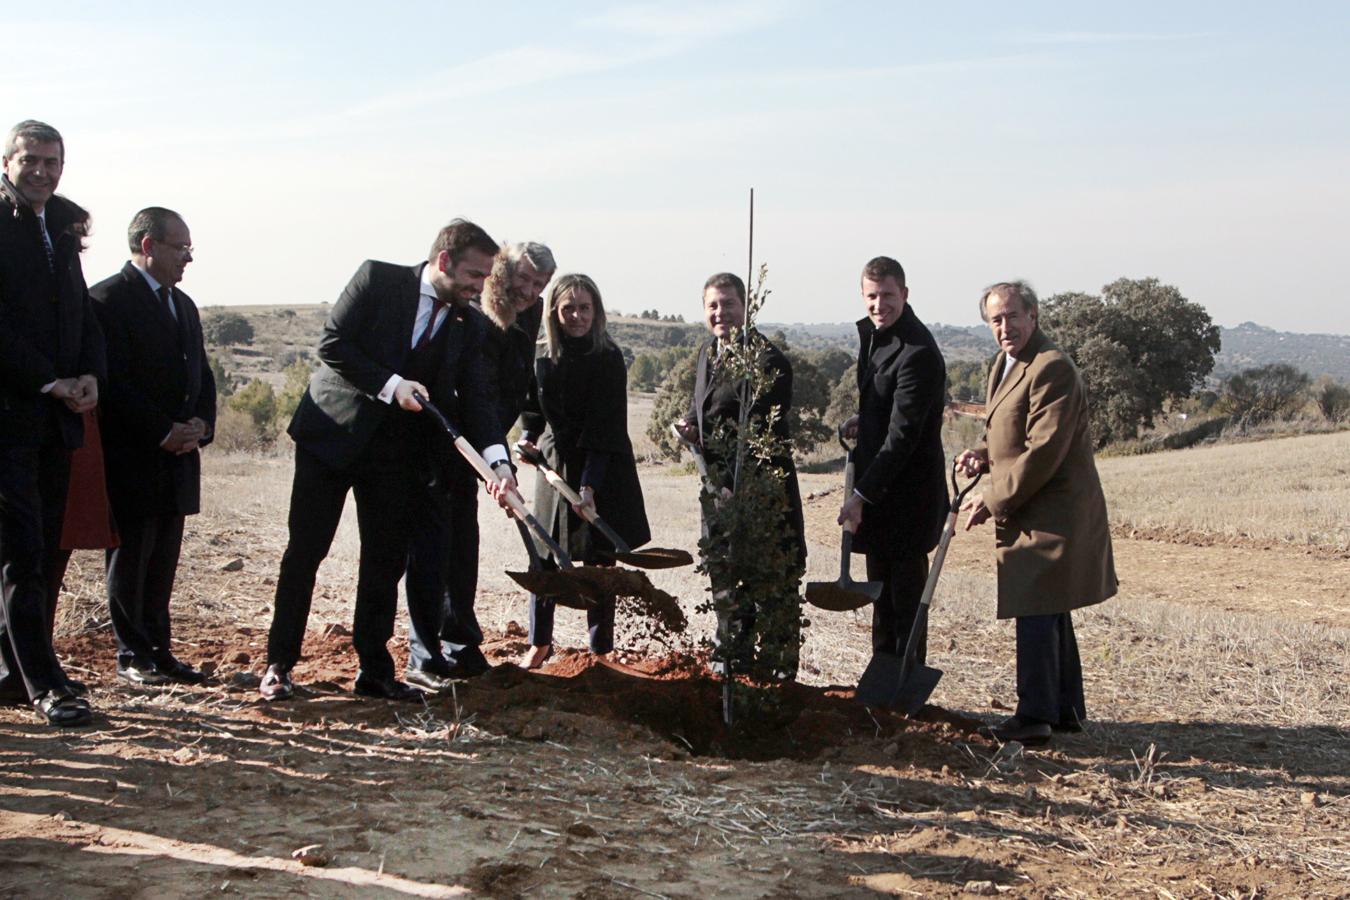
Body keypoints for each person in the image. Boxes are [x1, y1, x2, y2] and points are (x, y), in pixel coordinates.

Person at [261, 219, 514, 702]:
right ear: (444, 261)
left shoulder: (469, 324)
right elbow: (332, 345)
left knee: (384, 562)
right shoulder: (377, 279)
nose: (481, 287)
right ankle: (278, 665)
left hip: (396, 457)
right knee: (305, 553)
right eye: (475, 275)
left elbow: (478, 399)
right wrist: (392, 385)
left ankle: (374, 671)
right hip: (330, 440)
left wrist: (498, 463)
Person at [958, 280, 1117, 745]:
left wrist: (991, 498)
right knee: (1049, 609)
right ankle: (1065, 710)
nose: (1004, 327)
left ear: (1033, 316)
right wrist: (984, 453)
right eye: (996, 320)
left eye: (1012, 316)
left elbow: (1044, 450)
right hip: (1032, 508)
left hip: (1052, 513)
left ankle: (1034, 717)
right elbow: (1013, 431)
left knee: (1035, 607)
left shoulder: (1052, 368)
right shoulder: (1007, 364)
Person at [403, 241, 555, 690]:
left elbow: (519, 379)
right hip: (443, 433)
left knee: (462, 542)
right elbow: (468, 385)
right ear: (502, 271)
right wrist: (490, 457)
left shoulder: (529, 311)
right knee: (433, 545)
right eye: (523, 279)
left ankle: (461, 645)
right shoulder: (472, 304)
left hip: (484, 437)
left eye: (538, 283)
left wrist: (512, 445)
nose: (529, 290)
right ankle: (425, 653)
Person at [0, 120, 106, 727]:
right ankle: (44, 683)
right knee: (22, 555)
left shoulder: (60, 229)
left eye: (53, 162)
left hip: (56, 420)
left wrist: (91, 375)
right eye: (31, 160)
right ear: (7, 162)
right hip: (11, 416)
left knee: (44, 547)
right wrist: (50, 380)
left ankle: (14, 672)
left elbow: (80, 315)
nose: (42, 171)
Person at [91, 207, 216, 686]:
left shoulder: (182, 305)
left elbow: (201, 377)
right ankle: (132, 655)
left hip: (180, 456)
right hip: (134, 455)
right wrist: (160, 431)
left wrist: (200, 425)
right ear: (148, 246)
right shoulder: (106, 300)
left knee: (164, 558)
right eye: (180, 247)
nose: (188, 257)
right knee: (131, 557)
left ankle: (160, 651)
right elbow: (113, 383)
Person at [676, 272, 805, 679]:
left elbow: (765, 437)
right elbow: (707, 411)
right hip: (717, 495)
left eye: (728, 304)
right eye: (712, 305)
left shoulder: (768, 362)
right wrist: (689, 425)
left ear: (746, 306)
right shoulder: (706, 354)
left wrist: (740, 486)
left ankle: (777, 677)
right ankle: (732, 662)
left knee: (771, 586)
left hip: (763, 496)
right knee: (727, 581)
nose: (720, 313)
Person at [517, 274, 650, 668]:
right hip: (554, 460)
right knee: (543, 552)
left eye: (585, 307)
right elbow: (532, 407)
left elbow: (604, 427)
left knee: (598, 561)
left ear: (597, 311)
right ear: (555, 314)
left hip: (603, 461)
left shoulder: (608, 357)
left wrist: (590, 487)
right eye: (568, 308)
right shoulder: (541, 355)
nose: (577, 316)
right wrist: (529, 437)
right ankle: (539, 643)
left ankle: (600, 651)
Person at [837, 256, 948, 667]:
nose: (878, 303)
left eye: (887, 295)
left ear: (905, 293)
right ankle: (883, 678)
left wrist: (860, 496)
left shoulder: (916, 351)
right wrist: (864, 419)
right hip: (882, 498)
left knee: (904, 602)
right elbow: (888, 406)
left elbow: (903, 435)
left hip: (907, 501)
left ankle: (904, 683)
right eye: (871, 295)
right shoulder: (877, 336)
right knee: (882, 599)